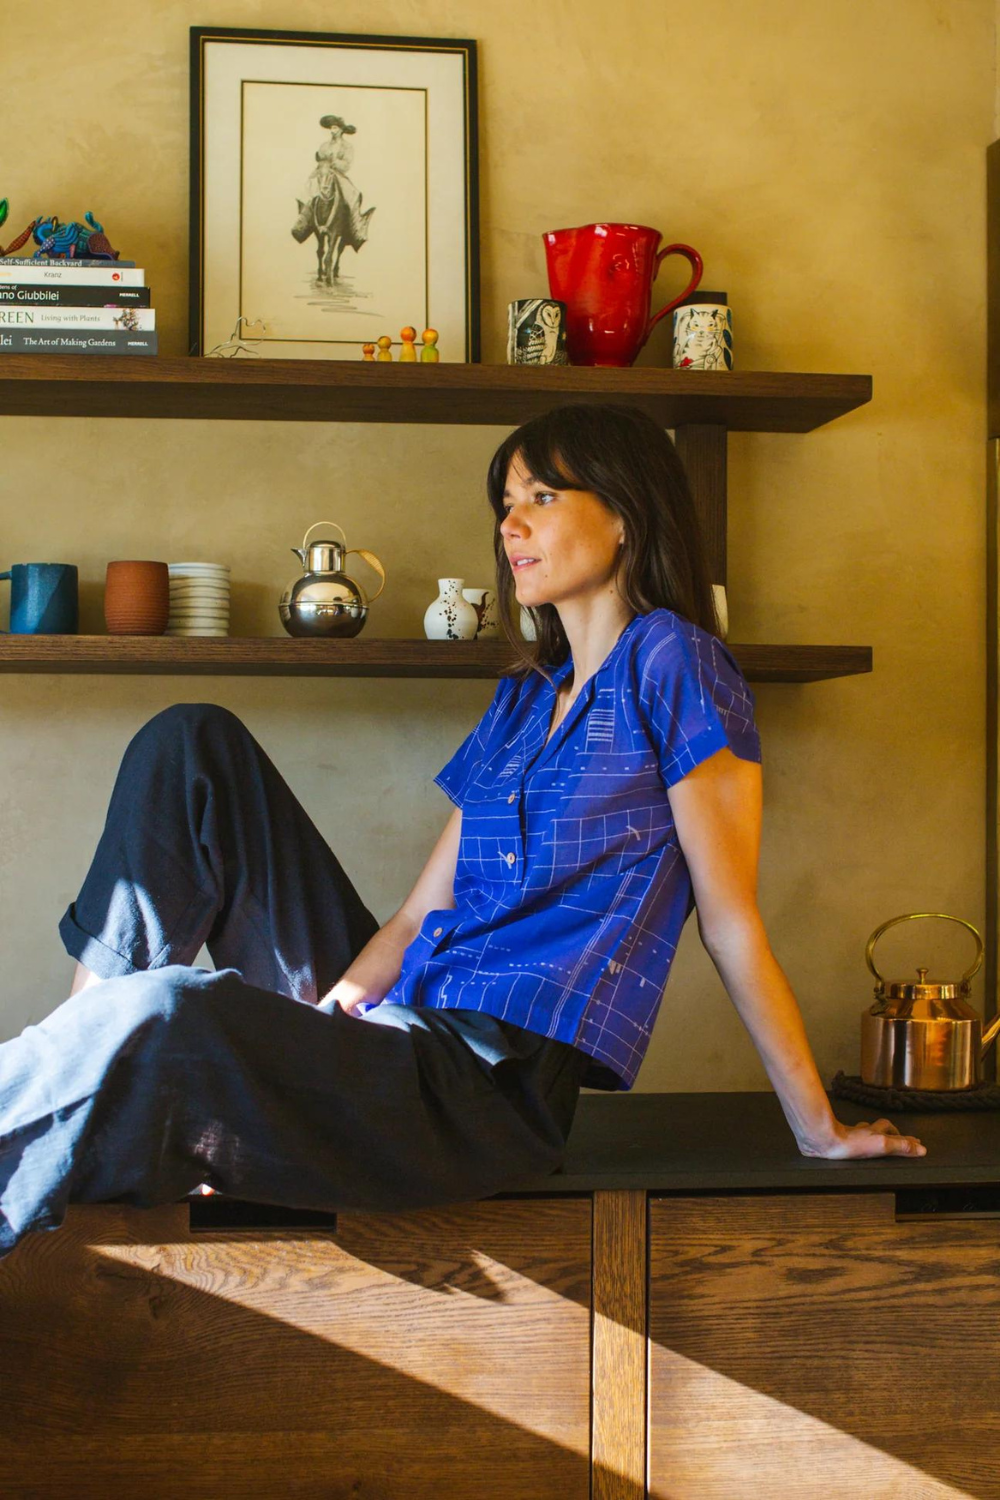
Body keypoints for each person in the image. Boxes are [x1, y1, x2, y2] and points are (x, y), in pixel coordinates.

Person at [0, 404, 926, 1260]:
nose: (510, 524)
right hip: (400, 1032)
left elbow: (730, 921)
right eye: (505, 503)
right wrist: (302, 1053)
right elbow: (413, 920)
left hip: (480, 1090)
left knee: (168, 1011)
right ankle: (86, 1075)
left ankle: (81, 1097)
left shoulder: (674, 661)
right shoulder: (526, 696)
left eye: (542, 497)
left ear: (626, 514)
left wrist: (817, 1129)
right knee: (189, 743)